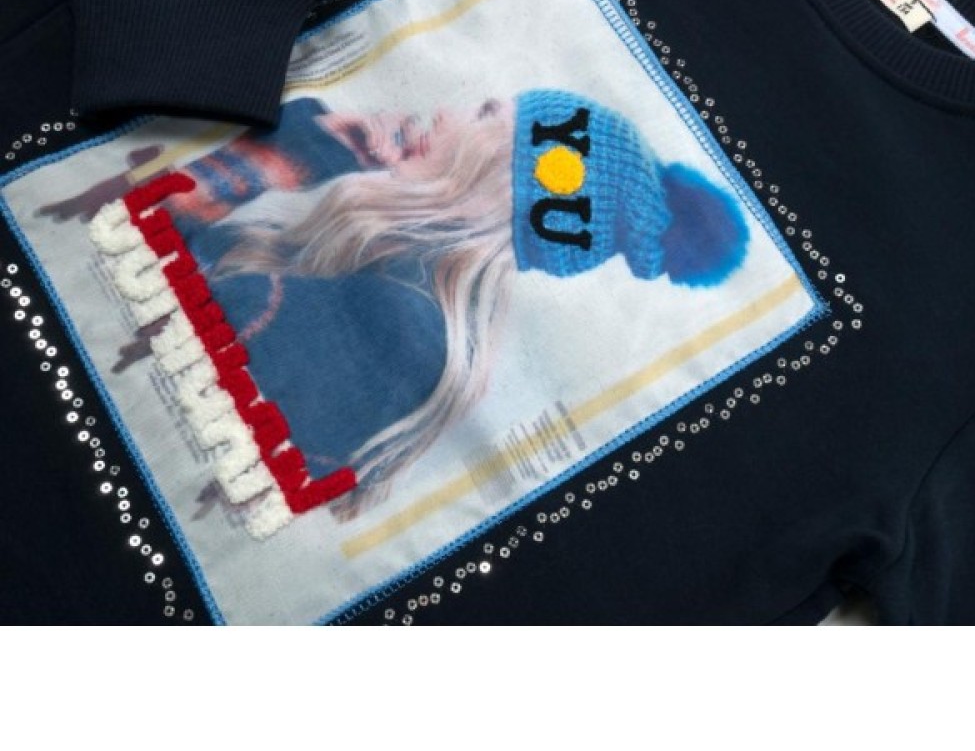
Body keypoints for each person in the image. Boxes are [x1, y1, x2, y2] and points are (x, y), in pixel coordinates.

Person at [45, 89, 751, 522]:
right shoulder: (394, 295)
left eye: (485, 112)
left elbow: (99, 303)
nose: (445, 109)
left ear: (501, 175)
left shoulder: (381, 322)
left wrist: (276, 161)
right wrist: (305, 155)